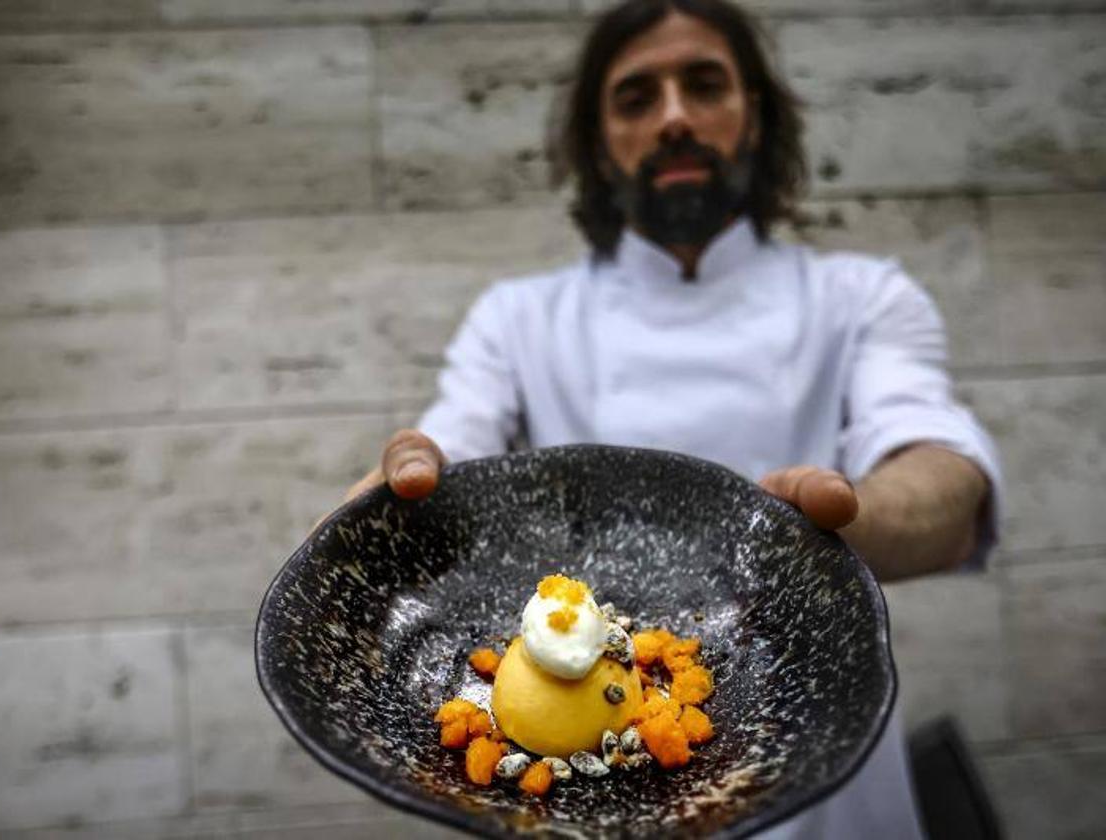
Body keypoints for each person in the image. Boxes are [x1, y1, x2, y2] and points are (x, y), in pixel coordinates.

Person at [338, 1, 1001, 836]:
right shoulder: (519, 320)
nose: (676, 116)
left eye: (705, 84)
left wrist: (841, 524)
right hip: (588, 790)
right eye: (636, 97)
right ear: (599, 140)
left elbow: (938, 467)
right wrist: (395, 498)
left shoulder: (861, 298)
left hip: (831, 785)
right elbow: (452, 454)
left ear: (753, 116)